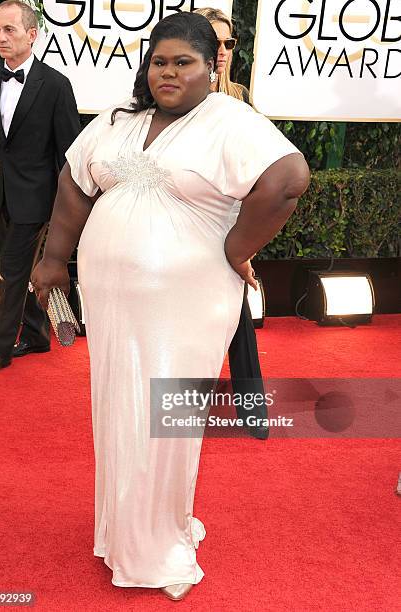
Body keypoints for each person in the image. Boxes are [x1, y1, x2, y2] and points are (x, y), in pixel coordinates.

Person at [31, 11, 309, 601]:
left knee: (164, 414)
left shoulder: (232, 122)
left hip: (187, 299)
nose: (169, 72)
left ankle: (155, 541)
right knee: (122, 406)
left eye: (184, 62)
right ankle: (124, 532)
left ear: (211, 68)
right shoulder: (116, 120)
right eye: (159, 61)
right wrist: (53, 259)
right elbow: (74, 184)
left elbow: (288, 179)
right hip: (109, 297)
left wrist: (237, 247)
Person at [0, 0, 80, 371]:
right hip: (1, 193)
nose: (0, 37)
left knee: (11, 270)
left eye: (9, 30)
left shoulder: (56, 85)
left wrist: (67, 209)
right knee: (22, 267)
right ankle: (35, 334)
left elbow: (69, 150)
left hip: (37, 198)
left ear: (32, 35)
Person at [195, 7, 268, 437]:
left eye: (229, 43)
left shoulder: (240, 99)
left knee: (237, 317)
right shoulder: (177, 98)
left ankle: (252, 406)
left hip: (230, 228)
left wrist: (246, 241)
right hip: (187, 225)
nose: (222, 51)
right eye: (214, 41)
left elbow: (263, 174)